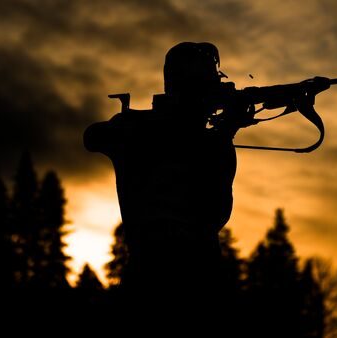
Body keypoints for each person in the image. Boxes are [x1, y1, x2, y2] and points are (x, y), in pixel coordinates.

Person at [84, 42, 251, 336]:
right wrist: (218, 132)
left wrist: (224, 133)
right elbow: (93, 137)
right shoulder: (141, 128)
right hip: (156, 275)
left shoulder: (205, 140)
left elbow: (216, 212)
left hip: (201, 275)